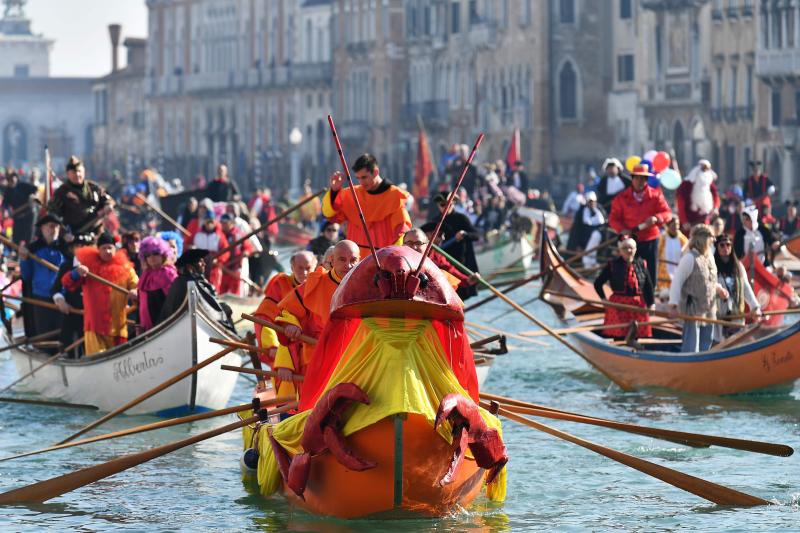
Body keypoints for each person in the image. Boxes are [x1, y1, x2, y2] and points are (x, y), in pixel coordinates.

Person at [273, 240, 360, 398]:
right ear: (332, 261)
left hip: (354, 361)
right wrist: (292, 325)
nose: (348, 265)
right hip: (317, 359)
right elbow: (287, 312)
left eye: (353, 260)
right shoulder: (316, 283)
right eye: (342, 259)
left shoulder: (367, 285)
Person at [62, 233, 139, 356]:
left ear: (115, 249)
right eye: (104, 248)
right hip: (94, 327)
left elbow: (136, 284)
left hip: (118, 327)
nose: (107, 251)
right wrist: (76, 273)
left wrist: (135, 291)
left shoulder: (126, 268)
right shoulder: (88, 268)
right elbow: (67, 283)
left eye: (110, 248)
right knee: (97, 358)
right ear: (98, 250)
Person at [322, 154, 411, 254]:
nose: (361, 182)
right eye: (358, 178)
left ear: (376, 172)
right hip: (354, 260)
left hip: (382, 260)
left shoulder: (394, 197)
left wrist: (393, 256)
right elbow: (331, 215)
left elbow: (402, 232)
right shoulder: (352, 194)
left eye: (364, 177)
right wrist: (334, 191)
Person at [609, 163, 672, 285]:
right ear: (632, 179)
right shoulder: (622, 197)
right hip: (630, 241)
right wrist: (622, 230)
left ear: (646, 180)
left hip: (650, 239)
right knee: (629, 272)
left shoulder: (656, 195)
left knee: (650, 273)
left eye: (643, 178)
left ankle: (649, 300)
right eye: (637, 177)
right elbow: (613, 219)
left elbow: (667, 213)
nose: (639, 181)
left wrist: (656, 218)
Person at [252, 250, 317, 367]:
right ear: (292, 268)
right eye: (300, 268)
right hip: (285, 348)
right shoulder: (281, 284)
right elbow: (265, 316)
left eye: (308, 268)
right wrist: (272, 345)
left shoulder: (320, 286)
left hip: (312, 349)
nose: (305, 272)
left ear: (315, 267)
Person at [668, 224, 727, 352]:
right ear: (703, 238)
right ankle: (687, 366)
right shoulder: (689, 258)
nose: (714, 241)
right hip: (693, 309)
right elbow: (677, 281)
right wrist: (673, 305)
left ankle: (702, 367)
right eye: (711, 238)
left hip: (709, 308)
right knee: (691, 344)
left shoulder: (709, 257)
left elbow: (710, 280)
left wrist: (719, 289)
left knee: (706, 342)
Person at [159, 248, 236, 332]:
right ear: (189, 267)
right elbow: (212, 310)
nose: (204, 264)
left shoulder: (179, 281)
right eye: (200, 261)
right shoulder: (192, 283)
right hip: (186, 328)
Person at [593, 237, 654, 339]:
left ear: (635, 249)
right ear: (620, 250)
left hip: (637, 305)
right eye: (625, 248)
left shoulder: (642, 264)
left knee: (638, 335)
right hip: (618, 305)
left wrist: (652, 304)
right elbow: (598, 283)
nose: (628, 251)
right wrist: (604, 300)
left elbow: (648, 286)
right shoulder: (612, 264)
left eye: (631, 248)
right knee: (619, 335)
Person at [18, 214, 67, 341]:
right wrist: (24, 260)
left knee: (62, 336)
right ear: (42, 229)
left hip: (63, 298)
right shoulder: (32, 250)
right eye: (50, 226)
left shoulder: (66, 249)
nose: (53, 230)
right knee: (43, 334)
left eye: (56, 226)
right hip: (40, 297)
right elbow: (26, 276)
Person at [47, 156, 113, 240]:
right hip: (73, 236)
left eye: (79, 171)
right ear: (68, 174)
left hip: (96, 233)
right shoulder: (61, 192)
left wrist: (108, 205)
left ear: (84, 172)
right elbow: (53, 216)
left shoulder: (94, 188)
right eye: (74, 172)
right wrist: (63, 233)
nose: (77, 174)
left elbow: (108, 199)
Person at [433, 192, 481, 300]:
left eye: (449, 204)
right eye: (442, 205)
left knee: (459, 297)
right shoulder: (435, 221)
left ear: (453, 204)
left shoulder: (461, 218)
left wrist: (465, 234)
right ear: (438, 206)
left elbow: (476, 235)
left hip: (460, 264)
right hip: (442, 265)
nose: (446, 207)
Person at [713, 233, 761, 343]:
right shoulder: (713, 267)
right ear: (717, 247)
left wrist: (755, 307)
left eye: (728, 245)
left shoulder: (738, 266)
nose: (726, 248)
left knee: (740, 344)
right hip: (720, 320)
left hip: (737, 317)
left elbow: (746, 289)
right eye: (722, 245)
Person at [403, 227, 478, 293]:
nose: (414, 247)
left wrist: (467, 280)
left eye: (418, 243)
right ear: (403, 245)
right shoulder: (398, 259)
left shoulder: (435, 256)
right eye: (409, 243)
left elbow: (450, 271)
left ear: (426, 245)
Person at [137, 236, 178, 331]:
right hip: (145, 328)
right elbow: (142, 304)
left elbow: (174, 303)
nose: (152, 258)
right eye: (148, 255)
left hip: (163, 328)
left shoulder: (168, 273)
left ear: (163, 254)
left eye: (155, 253)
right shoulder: (146, 274)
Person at [675, 159, 720, 231]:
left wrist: (716, 208)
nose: (704, 173)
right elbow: (680, 203)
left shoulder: (708, 183)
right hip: (689, 224)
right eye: (703, 170)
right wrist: (684, 221)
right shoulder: (686, 184)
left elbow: (716, 196)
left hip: (704, 222)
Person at [566, 191, 606, 268]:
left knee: (596, 235)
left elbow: (605, 226)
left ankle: (592, 263)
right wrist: (577, 245)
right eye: (590, 202)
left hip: (598, 243)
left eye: (593, 202)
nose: (591, 204)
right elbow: (576, 231)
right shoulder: (581, 212)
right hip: (583, 241)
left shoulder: (600, 210)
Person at [191, 213, 229, 292]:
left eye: (211, 222)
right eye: (207, 221)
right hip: (198, 266)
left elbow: (226, 252)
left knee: (214, 290)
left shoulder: (220, 236)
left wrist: (218, 260)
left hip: (213, 268)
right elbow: (188, 246)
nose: (209, 224)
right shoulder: (197, 234)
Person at [219, 213, 253, 295]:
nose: (223, 225)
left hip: (235, 268)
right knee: (220, 292)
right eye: (222, 223)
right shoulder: (219, 234)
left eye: (225, 223)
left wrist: (245, 253)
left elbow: (248, 248)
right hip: (222, 268)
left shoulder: (239, 235)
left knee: (236, 292)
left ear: (231, 223)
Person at [3, 170, 39, 245]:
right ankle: (16, 254)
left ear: (16, 178)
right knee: (16, 238)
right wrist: (5, 211)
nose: (11, 180)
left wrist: (32, 197)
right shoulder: (8, 191)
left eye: (13, 178)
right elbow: (5, 204)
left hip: (29, 215)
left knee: (29, 237)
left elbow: (35, 190)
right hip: (17, 216)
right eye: (9, 179)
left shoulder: (23, 185)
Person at [656, 216, 688, 292]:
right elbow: (657, 255)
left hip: (679, 275)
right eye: (673, 225)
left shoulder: (683, 240)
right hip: (663, 277)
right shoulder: (662, 239)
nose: (676, 227)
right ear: (668, 226)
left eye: (677, 224)